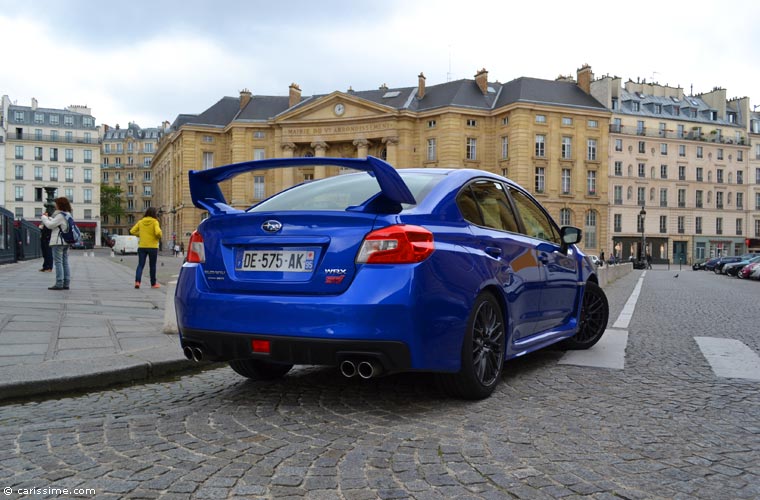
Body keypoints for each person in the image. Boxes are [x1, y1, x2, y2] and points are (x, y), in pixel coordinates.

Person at [40, 197, 73, 290]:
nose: (55, 205)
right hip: (66, 242)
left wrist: (43, 218)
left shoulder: (60, 215)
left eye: (56, 204)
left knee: (58, 262)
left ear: (60, 205)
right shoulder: (68, 214)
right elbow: (57, 223)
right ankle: (66, 283)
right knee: (65, 262)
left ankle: (59, 283)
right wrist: (49, 218)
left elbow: (50, 225)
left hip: (58, 242)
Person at [130, 207, 163, 289]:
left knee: (140, 265)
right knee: (152, 266)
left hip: (142, 246)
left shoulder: (140, 222)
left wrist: (140, 235)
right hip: (152, 247)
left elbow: (132, 231)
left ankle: (137, 282)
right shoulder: (155, 222)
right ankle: (153, 283)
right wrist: (159, 236)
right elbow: (158, 232)